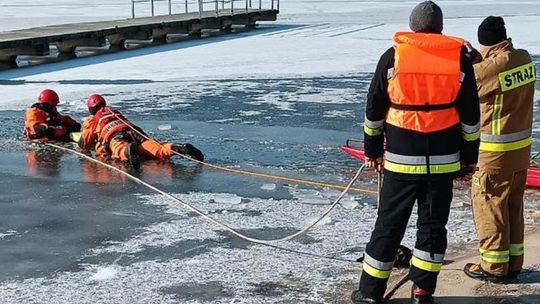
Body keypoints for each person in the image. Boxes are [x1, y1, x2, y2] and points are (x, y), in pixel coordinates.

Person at [350, 1, 480, 303]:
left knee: (389, 223)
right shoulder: (459, 59)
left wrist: (372, 150)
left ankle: (370, 292)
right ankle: (422, 290)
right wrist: (468, 159)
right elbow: (471, 117)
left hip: (400, 157)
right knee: (433, 226)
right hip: (444, 158)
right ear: (440, 27)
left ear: (413, 26)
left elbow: (374, 109)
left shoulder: (394, 56)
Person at [463, 16, 536, 283]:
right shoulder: (524, 58)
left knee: (490, 206)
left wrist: (468, 60)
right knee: (512, 208)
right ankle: (513, 263)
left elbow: (467, 85)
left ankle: (494, 267)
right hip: (520, 152)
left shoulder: (490, 67)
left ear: (486, 44)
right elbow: (497, 75)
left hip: (494, 154)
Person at [79, 94, 204, 170]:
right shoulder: (113, 111)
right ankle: (176, 148)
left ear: (90, 109)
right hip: (135, 132)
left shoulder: (92, 119)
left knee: (119, 148)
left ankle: (128, 151)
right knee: (157, 149)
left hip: (116, 135)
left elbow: (85, 142)